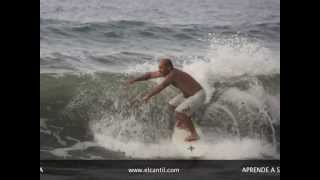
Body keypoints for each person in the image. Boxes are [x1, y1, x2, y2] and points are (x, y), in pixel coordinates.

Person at [127, 58, 205, 141]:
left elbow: (161, 86)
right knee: (171, 106)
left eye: (161, 68)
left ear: (169, 67)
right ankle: (183, 123)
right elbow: (149, 75)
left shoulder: (173, 74)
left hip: (198, 95)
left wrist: (148, 96)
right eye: (159, 67)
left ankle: (194, 134)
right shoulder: (166, 72)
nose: (159, 70)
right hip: (187, 95)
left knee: (180, 112)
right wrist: (134, 80)